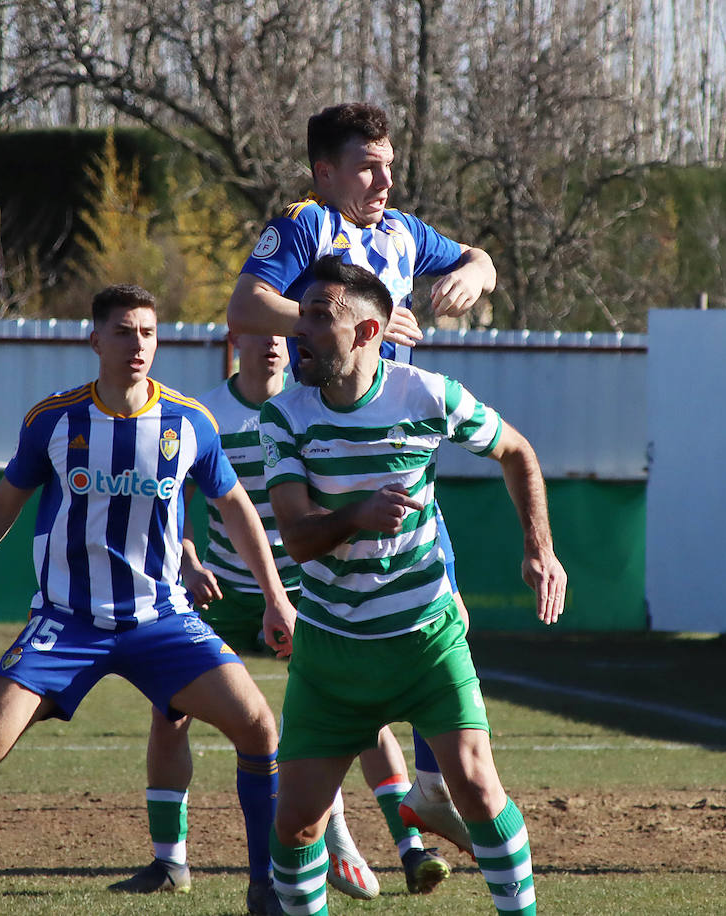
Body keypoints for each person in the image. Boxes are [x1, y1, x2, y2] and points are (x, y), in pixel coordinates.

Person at [0, 284, 296, 916]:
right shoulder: (54, 420)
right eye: (123, 332)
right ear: (94, 339)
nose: (137, 344)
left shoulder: (189, 423)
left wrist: (275, 597)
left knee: (259, 725)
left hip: (163, 622)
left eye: (148, 333)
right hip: (65, 624)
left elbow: (234, 505)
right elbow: (1, 508)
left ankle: (264, 888)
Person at [260, 257, 565, 915]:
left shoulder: (427, 394)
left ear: (369, 333)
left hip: (426, 640)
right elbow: (300, 537)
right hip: (332, 651)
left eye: (319, 317)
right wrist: (359, 515)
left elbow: (516, 451)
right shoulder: (283, 416)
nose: (298, 331)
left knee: (480, 792)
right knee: (297, 826)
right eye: (299, 315)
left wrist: (540, 548)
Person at [228, 100, 493, 854]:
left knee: (442, 620)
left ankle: (431, 797)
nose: (383, 179)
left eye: (388, 164)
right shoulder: (310, 223)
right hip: (332, 456)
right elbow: (245, 303)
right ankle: (337, 819)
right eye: (367, 166)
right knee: (356, 634)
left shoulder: (403, 233)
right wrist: (341, 325)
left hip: (399, 453)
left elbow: (480, 257)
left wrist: (475, 273)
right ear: (326, 171)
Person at [108, 330, 450, 899]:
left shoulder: (305, 408)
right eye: (257, 333)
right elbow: (176, 501)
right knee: (170, 713)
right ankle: (171, 863)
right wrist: (189, 560)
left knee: (361, 712)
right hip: (225, 591)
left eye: (282, 335)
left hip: (305, 588)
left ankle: (409, 849)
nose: (271, 345)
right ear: (234, 336)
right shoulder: (205, 413)